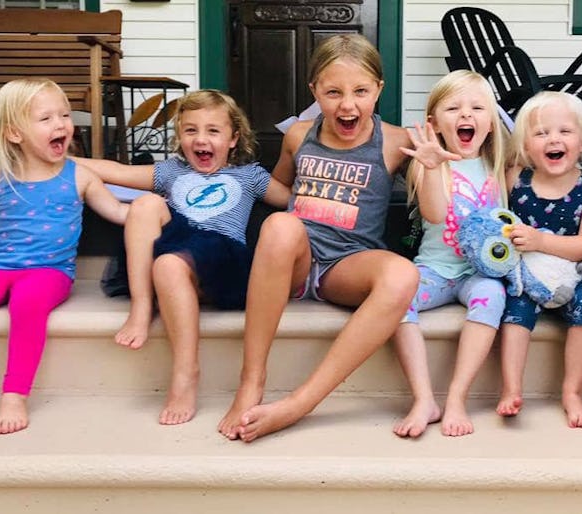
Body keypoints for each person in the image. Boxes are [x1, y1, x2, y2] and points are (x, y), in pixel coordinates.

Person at [216, 33, 418, 442]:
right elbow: (277, 187)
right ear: (314, 92)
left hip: (347, 269)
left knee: (402, 275)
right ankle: (251, 381)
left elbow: (433, 207)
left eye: (361, 91)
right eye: (333, 92)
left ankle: (299, 403)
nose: (348, 104)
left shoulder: (396, 142)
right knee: (280, 225)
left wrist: (432, 167)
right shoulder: (298, 136)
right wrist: (226, 180)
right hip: (297, 262)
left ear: (379, 89)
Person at [75, 89, 290, 425]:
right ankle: (142, 308)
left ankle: (185, 374)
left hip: (223, 256)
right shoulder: (171, 172)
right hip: (177, 253)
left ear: (234, 139)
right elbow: (114, 170)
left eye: (213, 131)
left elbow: (293, 200)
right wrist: (56, 158)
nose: (201, 139)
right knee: (146, 206)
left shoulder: (251, 176)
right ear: (180, 136)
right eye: (191, 130)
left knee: (170, 263)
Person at [0, 78, 129, 435]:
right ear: (14, 134)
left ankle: (14, 395)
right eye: (46, 119)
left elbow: (117, 212)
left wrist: (154, 211)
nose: (61, 125)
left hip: (49, 272)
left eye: (65, 115)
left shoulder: (80, 176)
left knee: (27, 307)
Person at [391, 70, 511, 438]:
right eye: (453, 108)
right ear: (434, 123)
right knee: (396, 301)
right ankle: (424, 398)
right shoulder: (429, 165)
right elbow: (436, 214)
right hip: (437, 272)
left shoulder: (499, 167)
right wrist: (431, 165)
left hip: (479, 274)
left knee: (492, 295)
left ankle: (458, 396)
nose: (466, 116)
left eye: (478, 108)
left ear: (490, 123)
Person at [496, 91, 582, 429]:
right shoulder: (516, 179)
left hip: (574, 273)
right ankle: (512, 388)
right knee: (515, 309)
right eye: (541, 133)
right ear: (526, 145)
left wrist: (541, 241)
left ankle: (573, 391)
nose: (553, 139)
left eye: (564, 131)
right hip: (526, 274)